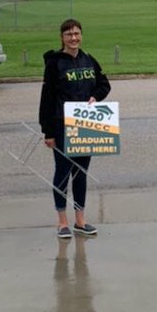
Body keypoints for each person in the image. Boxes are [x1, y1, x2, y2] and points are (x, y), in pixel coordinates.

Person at [39, 18, 112, 239]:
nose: (73, 38)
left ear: (81, 35)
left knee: (80, 173)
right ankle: (62, 222)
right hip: (62, 125)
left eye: (77, 33)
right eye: (69, 34)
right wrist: (48, 131)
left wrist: (95, 97)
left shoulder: (88, 59)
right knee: (62, 173)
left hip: (85, 124)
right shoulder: (54, 63)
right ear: (62, 37)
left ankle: (80, 220)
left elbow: (104, 84)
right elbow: (47, 98)